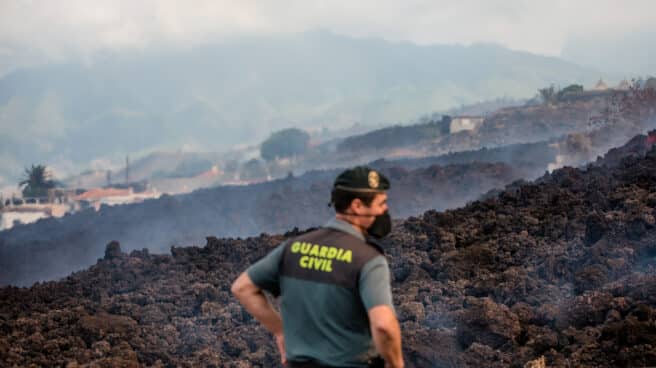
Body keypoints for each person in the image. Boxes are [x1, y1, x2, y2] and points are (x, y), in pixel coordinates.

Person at [231, 166, 403, 368]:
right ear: (357, 206)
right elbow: (383, 325)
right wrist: (396, 363)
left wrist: (281, 331)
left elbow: (242, 288)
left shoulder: (293, 248)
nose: (384, 211)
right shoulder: (367, 259)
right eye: (380, 204)